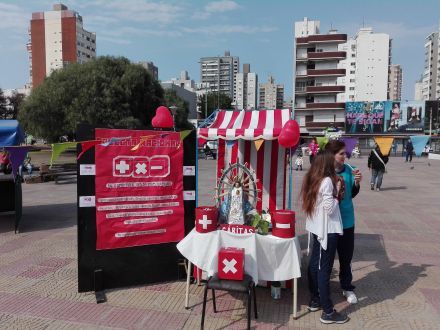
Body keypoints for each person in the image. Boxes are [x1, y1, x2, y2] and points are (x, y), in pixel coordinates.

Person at [300, 152, 349, 324]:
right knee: (323, 269)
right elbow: (329, 208)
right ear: (326, 164)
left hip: (316, 228)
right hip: (326, 231)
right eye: (332, 161)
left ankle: (315, 300)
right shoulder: (327, 181)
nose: (335, 163)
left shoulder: (311, 178)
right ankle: (328, 312)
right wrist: (338, 195)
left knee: (315, 264)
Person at [325, 140, 362, 305]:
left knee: (346, 257)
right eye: (341, 153)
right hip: (329, 222)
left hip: (347, 220)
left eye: (345, 153)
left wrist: (356, 183)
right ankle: (322, 289)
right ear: (332, 155)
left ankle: (347, 287)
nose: (345, 156)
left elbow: (351, 195)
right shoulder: (324, 173)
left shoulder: (350, 170)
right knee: (327, 258)